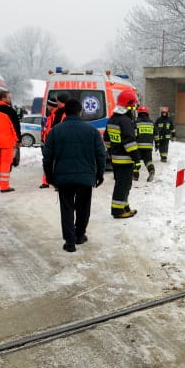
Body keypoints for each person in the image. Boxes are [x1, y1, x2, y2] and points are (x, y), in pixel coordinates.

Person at [42, 98, 106, 252]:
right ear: (80, 111)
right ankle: (80, 235)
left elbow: (47, 156)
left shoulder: (55, 131)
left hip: (64, 178)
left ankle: (70, 242)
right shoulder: (92, 131)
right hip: (85, 177)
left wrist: (49, 175)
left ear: (65, 112)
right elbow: (101, 154)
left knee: (67, 209)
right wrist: (100, 174)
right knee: (83, 207)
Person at [103, 91, 140, 218]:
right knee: (123, 185)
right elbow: (129, 142)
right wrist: (137, 159)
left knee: (123, 184)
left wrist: (112, 151)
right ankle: (118, 211)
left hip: (115, 159)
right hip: (126, 160)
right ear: (128, 106)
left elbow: (106, 139)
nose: (134, 109)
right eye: (133, 106)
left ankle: (124, 207)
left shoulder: (112, 119)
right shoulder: (125, 121)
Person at [0, 90, 21, 193]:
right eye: (8, 97)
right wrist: (18, 140)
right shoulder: (9, 111)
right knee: (5, 164)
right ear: (3, 98)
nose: (9, 99)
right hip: (6, 142)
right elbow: (15, 127)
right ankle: (4, 186)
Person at [39, 98, 58, 188]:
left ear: (52, 106)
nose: (47, 107)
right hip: (48, 143)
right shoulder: (50, 116)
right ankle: (46, 182)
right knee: (48, 162)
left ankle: (54, 182)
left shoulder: (56, 116)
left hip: (53, 143)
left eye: (48, 105)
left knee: (54, 163)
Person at [135, 105, 156, 182]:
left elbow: (134, 135)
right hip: (148, 147)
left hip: (138, 146)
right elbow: (156, 134)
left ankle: (135, 176)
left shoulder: (136, 122)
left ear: (139, 113)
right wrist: (157, 144)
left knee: (136, 161)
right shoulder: (152, 123)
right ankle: (151, 170)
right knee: (148, 161)